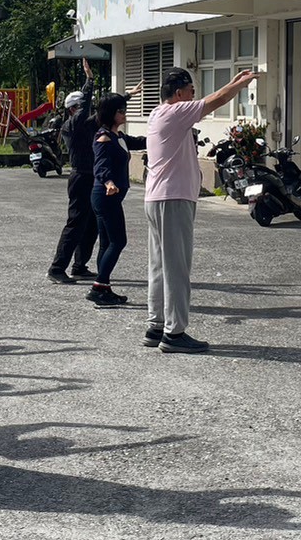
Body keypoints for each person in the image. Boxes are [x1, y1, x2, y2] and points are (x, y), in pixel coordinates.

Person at [144, 66, 259, 353]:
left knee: (160, 265)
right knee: (177, 267)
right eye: (191, 90)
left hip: (160, 198)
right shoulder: (175, 111)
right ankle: (174, 333)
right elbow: (217, 101)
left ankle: (157, 326)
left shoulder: (160, 113)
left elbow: (214, 97)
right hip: (173, 199)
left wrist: (232, 82)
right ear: (179, 92)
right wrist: (241, 85)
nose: (194, 95)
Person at [88, 91, 146, 307]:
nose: (124, 114)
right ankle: (98, 287)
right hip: (105, 196)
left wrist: (162, 137)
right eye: (120, 111)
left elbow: (139, 141)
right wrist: (108, 182)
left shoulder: (118, 137)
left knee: (106, 243)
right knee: (119, 241)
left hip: (109, 198)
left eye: (124, 110)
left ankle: (103, 289)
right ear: (110, 114)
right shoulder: (103, 137)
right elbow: (100, 166)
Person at [48, 60, 100, 283]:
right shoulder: (73, 124)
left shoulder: (86, 124)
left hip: (92, 177)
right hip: (80, 177)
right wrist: (89, 81)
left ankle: (80, 265)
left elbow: (104, 114)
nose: (87, 109)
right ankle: (57, 268)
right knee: (76, 223)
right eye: (82, 107)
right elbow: (86, 107)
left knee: (92, 224)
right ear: (72, 109)